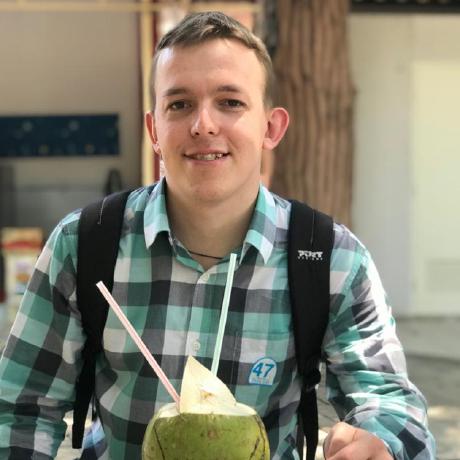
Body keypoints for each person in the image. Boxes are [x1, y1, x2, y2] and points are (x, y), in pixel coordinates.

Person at [0, 11, 435, 460]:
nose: (203, 125)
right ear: (153, 131)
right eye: (179, 104)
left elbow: (387, 397)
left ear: (271, 127)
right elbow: (19, 408)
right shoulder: (83, 245)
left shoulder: (332, 259)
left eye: (230, 102)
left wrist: (381, 442)